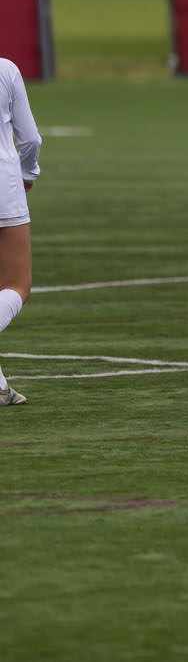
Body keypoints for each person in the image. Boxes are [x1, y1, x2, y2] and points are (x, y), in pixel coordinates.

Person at [0, 55, 42, 407]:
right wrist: (29, 173)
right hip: (4, 189)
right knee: (17, 286)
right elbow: (30, 140)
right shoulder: (6, 70)